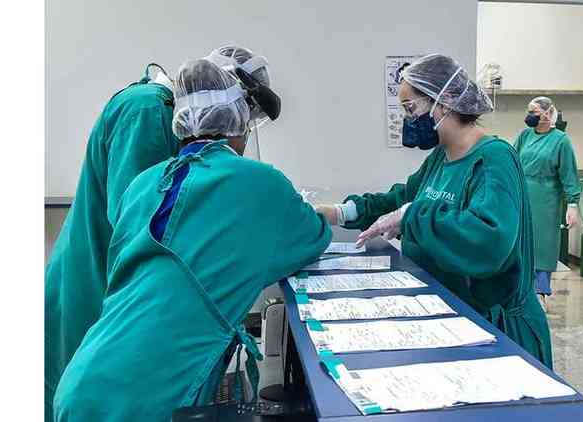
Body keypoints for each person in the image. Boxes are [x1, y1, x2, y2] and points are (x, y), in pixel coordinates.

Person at [53, 56, 331, 421]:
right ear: (240, 121)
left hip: (82, 380)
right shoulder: (259, 181)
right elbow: (313, 235)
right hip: (143, 399)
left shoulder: (143, 184)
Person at [316, 54, 553, 369]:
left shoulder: (494, 159)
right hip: (453, 314)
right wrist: (338, 212)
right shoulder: (441, 158)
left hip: (497, 327)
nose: (408, 120)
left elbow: (488, 239)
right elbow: (401, 199)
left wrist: (412, 215)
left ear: (445, 103)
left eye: (411, 108)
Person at [44, 61, 180, 421]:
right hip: (93, 284)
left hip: (100, 276)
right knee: (80, 400)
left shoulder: (153, 108)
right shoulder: (148, 110)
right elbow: (136, 219)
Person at [514, 97, 581, 307]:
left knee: (543, 245)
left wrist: (572, 204)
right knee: (520, 242)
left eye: (534, 112)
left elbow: (569, 174)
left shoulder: (561, 140)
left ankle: (541, 292)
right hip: (522, 195)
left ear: (547, 114)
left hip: (547, 199)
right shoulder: (524, 136)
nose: (530, 116)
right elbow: (513, 161)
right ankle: (521, 290)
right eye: (529, 111)